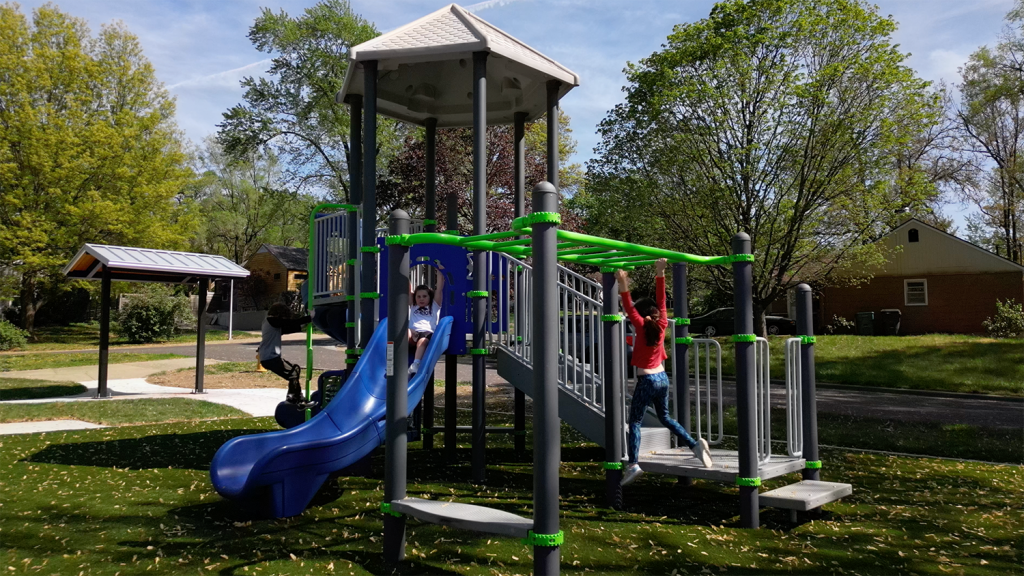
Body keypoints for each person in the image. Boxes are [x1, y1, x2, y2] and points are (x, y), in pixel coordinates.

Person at [617, 258, 713, 487]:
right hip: (662, 378)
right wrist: (660, 271)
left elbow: (627, 305)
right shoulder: (662, 326)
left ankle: (633, 464)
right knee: (665, 417)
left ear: (642, 316)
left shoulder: (640, 326)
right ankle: (694, 445)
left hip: (647, 379)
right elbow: (661, 301)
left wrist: (622, 281)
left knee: (636, 422)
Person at [259, 303, 313, 405]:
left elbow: (290, 328)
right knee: (293, 372)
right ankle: (296, 399)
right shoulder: (272, 320)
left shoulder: (271, 324)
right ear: (280, 314)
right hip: (270, 358)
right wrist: (309, 318)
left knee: (293, 372)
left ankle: (293, 397)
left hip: (268, 358)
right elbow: (289, 323)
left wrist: (304, 324)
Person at [408, 263, 445, 375]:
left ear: (430, 296)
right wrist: (404, 268)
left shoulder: (435, 305)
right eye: (418, 296)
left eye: (424, 296)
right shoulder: (414, 305)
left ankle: (416, 363)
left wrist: (439, 270)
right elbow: (408, 288)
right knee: (404, 332)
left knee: (422, 341)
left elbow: (439, 288)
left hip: (426, 333)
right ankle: (395, 360)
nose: (421, 299)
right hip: (413, 333)